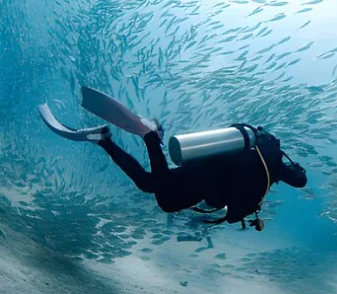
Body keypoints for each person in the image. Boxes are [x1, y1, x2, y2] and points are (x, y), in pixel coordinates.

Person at [38, 86, 307, 231]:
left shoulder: (259, 152)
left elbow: (297, 178)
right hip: (204, 181)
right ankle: (149, 135)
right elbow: (299, 181)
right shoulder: (270, 169)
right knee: (164, 198)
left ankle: (104, 139)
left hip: (200, 167)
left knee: (149, 184)